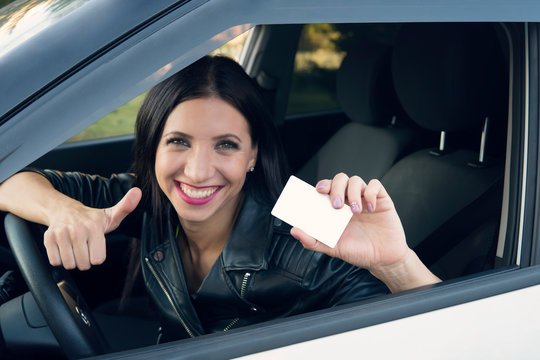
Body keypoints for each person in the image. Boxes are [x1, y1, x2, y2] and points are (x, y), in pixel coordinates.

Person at [0, 55, 440, 342]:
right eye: (178, 142)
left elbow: (439, 336)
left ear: (253, 156)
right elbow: (11, 179)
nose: (196, 171)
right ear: (153, 149)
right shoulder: (146, 199)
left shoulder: (307, 231)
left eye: (225, 145)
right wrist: (65, 210)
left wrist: (394, 264)